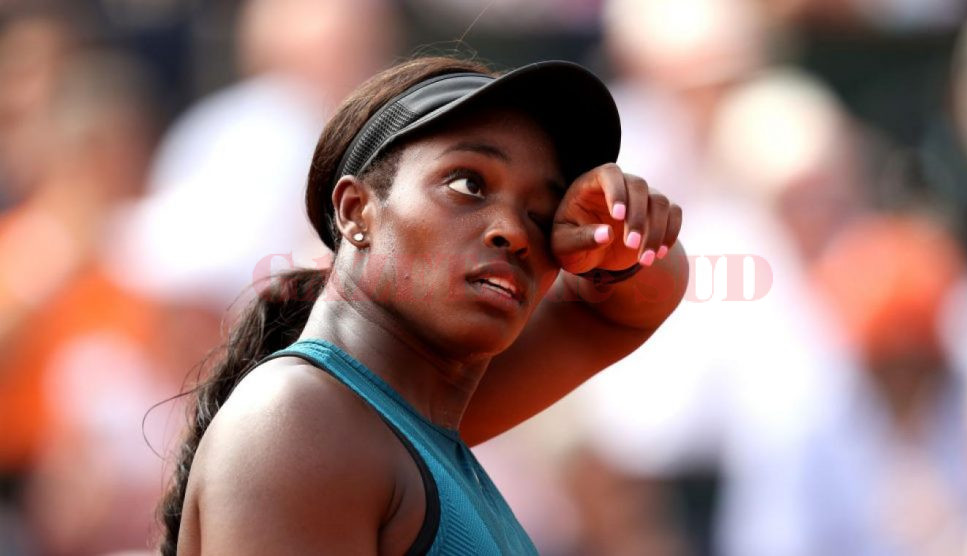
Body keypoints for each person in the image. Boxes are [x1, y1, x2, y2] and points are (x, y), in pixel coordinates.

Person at [158, 56, 687, 555]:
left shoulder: (400, 420)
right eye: (468, 184)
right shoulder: (303, 419)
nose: (513, 232)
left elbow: (637, 300)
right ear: (356, 211)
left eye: (542, 215)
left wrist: (614, 237)